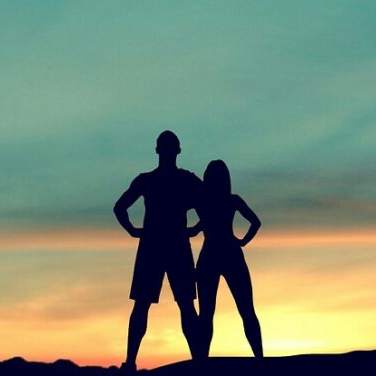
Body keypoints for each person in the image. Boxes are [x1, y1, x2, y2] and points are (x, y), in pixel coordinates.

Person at [113, 130, 204, 371]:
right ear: (177, 151)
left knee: (156, 305)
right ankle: (198, 362)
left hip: (156, 246)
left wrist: (133, 230)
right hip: (170, 246)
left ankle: (131, 362)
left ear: (158, 150)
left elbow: (120, 207)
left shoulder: (151, 180)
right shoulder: (183, 180)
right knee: (181, 306)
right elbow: (209, 204)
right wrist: (196, 228)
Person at [194, 159, 264, 358]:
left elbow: (204, 224)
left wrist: (243, 242)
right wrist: (242, 241)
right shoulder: (232, 200)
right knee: (246, 310)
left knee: (207, 314)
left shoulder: (204, 202)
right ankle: (260, 358)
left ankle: (202, 361)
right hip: (230, 253)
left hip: (211, 255)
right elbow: (255, 222)